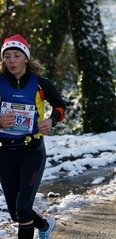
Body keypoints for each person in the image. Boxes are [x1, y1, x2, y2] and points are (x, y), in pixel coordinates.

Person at [0, 34, 66, 239]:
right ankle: (45, 225)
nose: (12, 61)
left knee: (23, 208)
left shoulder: (40, 84)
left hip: (32, 150)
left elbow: (61, 106)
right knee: (16, 213)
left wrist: (51, 121)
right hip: (5, 152)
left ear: (26, 58)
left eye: (17, 55)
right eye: (7, 56)